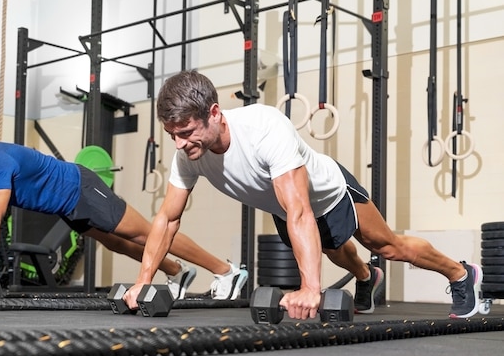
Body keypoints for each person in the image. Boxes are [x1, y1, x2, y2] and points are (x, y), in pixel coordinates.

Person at [123, 70, 483, 320]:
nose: (179, 143)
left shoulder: (263, 127)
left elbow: (299, 210)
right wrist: (143, 283)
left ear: (214, 113)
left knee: (385, 246)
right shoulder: (187, 156)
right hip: (289, 211)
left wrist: (311, 287)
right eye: (172, 134)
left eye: (185, 132)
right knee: (339, 254)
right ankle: (366, 278)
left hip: (330, 193)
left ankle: (460, 274)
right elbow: (167, 218)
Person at [0, 135, 249, 299]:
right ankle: (177, 271)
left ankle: (227, 272)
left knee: (146, 234)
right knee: (119, 245)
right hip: (66, 207)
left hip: (79, 187)